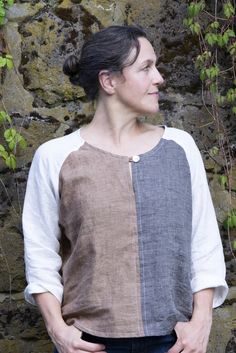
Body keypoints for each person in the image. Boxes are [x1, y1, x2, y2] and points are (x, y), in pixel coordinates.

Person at [23, 25, 228, 353]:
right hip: (89, 342)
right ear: (109, 81)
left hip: (174, 343)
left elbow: (203, 243)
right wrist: (58, 331)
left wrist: (201, 323)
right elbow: (40, 256)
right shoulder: (55, 157)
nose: (159, 77)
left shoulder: (180, 147)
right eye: (146, 68)